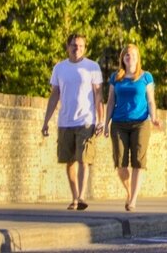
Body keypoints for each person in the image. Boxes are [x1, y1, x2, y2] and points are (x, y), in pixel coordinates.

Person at [40, 32, 103, 210]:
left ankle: (82, 196)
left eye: (81, 46)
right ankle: (74, 196)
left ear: (85, 48)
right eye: (74, 46)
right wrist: (46, 122)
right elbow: (54, 95)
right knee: (69, 161)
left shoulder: (92, 67)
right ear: (68, 47)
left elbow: (98, 94)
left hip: (86, 120)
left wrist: (101, 120)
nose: (77, 49)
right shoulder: (59, 68)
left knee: (84, 158)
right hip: (65, 120)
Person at [102, 42, 162, 212]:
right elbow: (111, 100)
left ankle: (133, 200)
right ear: (123, 58)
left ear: (138, 58)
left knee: (138, 162)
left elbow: (150, 100)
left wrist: (154, 117)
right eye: (127, 55)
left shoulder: (145, 77)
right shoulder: (116, 77)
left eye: (133, 55)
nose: (130, 57)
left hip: (140, 123)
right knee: (120, 164)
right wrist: (106, 123)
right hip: (119, 123)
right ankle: (129, 192)